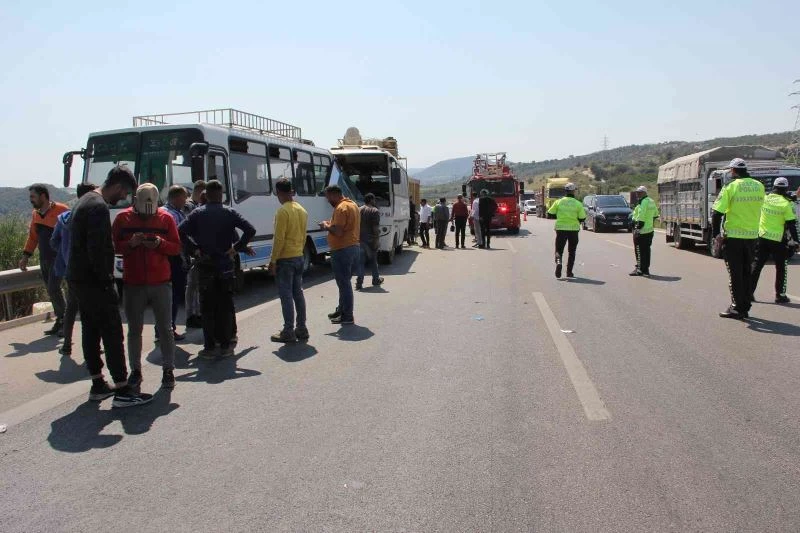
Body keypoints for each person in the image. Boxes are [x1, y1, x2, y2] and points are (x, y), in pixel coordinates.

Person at [68, 165, 153, 407]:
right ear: (117, 186)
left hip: (79, 280)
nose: (124, 198)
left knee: (91, 330)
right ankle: (123, 389)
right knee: (112, 332)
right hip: (95, 281)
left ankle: (98, 384)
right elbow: (98, 249)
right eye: (125, 193)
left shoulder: (84, 200)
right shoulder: (97, 207)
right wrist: (107, 280)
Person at [112, 183, 181, 389]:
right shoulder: (122, 219)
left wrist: (159, 244)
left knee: (165, 329)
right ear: (135, 202)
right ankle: (136, 370)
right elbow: (115, 246)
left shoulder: (166, 219)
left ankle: (168, 369)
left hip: (161, 282)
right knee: (135, 330)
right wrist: (131, 244)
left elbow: (176, 248)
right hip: (133, 283)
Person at [179, 180, 255, 358]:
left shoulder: (197, 214)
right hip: (225, 266)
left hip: (205, 265)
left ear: (206, 194)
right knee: (225, 306)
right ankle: (226, 345)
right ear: (221, 194)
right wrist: (236, 247)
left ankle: (210, 347)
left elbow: (179, 232)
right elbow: (250, 230)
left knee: (207, 308)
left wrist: (193, 249)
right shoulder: (229, 212)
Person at [711, 158, 765, 319]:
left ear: (733, 171)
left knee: (735, 275)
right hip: (752, 237)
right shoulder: (759, 186)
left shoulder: (730, 187)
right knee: (747, 272)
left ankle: (737, 308)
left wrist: (716, 235)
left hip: (734, 237)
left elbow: (716, 213)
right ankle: (745, 305)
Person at [50, 183, 96, 356]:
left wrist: (65, 253)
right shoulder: (93, 216)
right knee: (91, 310)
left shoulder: (64, 218)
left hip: (71, 270)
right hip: (90, 270)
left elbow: (54, 242)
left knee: (71, 308)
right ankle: (92, 347)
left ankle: (67, 344)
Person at [19, 184, 69, 336]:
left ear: (43, 196)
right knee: (50, 290)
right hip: (44, 258)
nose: (31, 200)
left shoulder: (62, 210)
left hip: (58, 258)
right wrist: (25, 257)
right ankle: (60, 320)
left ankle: (65, 322)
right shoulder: (35, 214)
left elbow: (70, 233)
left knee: (54, 288)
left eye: (33, 197)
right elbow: (33, 237)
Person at [268, 179, 309, 343]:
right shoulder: (302, 210)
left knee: (286, 296)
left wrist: (273, 261)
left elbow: (279, 239)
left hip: (285, 259)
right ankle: (302, 328)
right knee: (298, 293)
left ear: (278, 192)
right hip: (299, 255)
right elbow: (304, 235)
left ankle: (288, 330)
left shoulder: (282, 211)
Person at [750, 177, 799, 304]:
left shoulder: (765, 199)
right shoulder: (786, 204)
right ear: (786, 188)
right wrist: (797, 241)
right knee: (781, 267)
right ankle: (780, 295)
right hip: (778, 240)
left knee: (757, 265)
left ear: (774, 187)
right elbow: (791, 224)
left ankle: (748, 293)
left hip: (762, 237)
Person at [320, 185, 360, 325]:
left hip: (342, 249)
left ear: (334, 195)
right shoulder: (352, 204)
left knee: (344, 284)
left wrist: (325, 226)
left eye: (328, 197)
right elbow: (343, 226)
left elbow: (338, 232)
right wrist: (330, 223)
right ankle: (342, 310)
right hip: (352, 247)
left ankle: (347, 315)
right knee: (344, 283)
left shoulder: (341, 208)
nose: (328, 200)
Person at [163, 185, 190, 340]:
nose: (185, 201)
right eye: (183, 197)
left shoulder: (164, 211)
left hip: (166, 259)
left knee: (166, 295)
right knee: (173, 295)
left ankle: (162, 329)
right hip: (174, 259)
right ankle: (169, 328)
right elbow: (182, 238)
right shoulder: (172, 215)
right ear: (176, 197)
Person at [547, 182, 586, 279]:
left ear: (565, 191)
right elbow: (582, 218)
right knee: (572, 252)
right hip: (573, 230)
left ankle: (559, 262)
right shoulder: (578, 204)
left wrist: (559, 216)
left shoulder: (558, 202)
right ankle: (569, 272)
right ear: (573, 192)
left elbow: (550, 214)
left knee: (559, 250)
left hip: (560, 229)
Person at [184, 181, 206, 329]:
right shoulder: (190, 207)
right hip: (194, 253)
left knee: (193, 285)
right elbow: (187, 231)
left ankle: (194, 315)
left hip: (192, 252)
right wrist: (194, 249)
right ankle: (194, 315)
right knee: (194, 285)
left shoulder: (191, 206)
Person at [629, 186, 660, 277]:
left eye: (639, 192)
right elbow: (655, 215)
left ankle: (639, 269)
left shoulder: (644, 202)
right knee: (646, 251)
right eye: (637, 192)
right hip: (649, 231)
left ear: (644, 193)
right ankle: (645, 269)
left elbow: (641, 217)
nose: (637, 194)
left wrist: (638, 228)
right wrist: (649, 224)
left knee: (639, 251)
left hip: (641, 231)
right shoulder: (651, 201)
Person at [356, 193, 383, 290]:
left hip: (359, 240)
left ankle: (359, 282)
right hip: (370, 241)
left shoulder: (358, 210)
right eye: (374, 199)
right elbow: (375, 228)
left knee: (360, 262)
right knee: (373, 261)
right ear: (371, 200)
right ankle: (375, 279)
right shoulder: (374, 211)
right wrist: (377, 240)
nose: (375, 201)